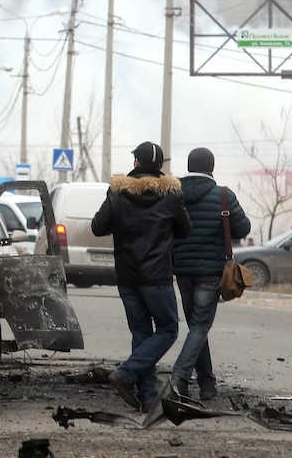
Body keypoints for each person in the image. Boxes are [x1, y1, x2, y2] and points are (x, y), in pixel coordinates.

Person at [91, 141, 192, 412]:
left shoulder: (117, 192)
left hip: (127, 275)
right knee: (169, 329)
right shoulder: (171, 195)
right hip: (157, 275)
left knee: (141, 333)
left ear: (135, 163)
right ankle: (127, 373)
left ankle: (148, 398)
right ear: (160, 167)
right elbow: (185, 229)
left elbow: (98, 227)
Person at [171, 147, 250, 400]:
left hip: (182, 270)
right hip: (211, 271)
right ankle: (179, 378)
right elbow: (243, 228)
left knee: (197, 327)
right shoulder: (223, 196)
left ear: (189, 166)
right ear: (211, 168)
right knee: (200, 327)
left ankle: (207, 384)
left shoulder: (174, 195)